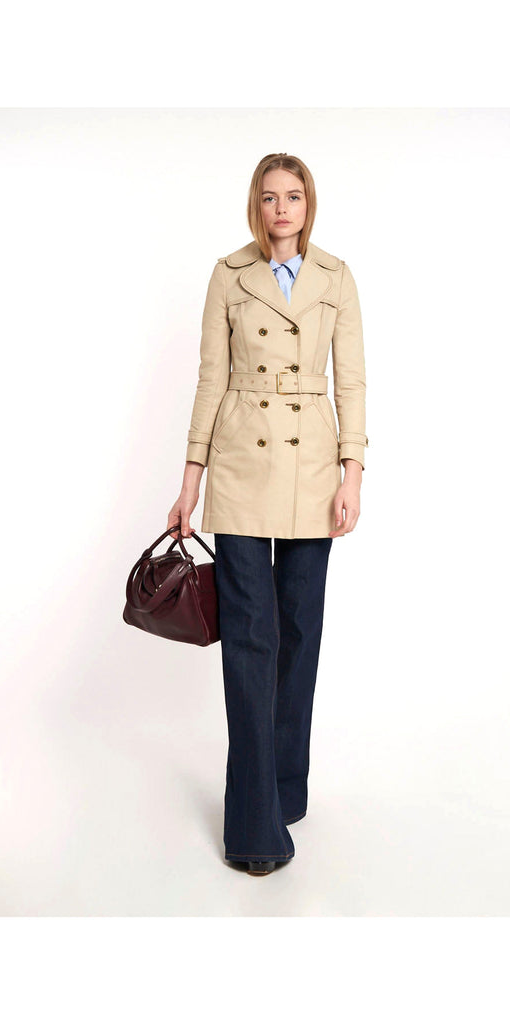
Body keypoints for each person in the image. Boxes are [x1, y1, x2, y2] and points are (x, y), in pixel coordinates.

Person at [168, 153, 368, 876]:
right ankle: (253, 828)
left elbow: (352, 383)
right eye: (269, 197)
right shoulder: (230, 274)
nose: (281, 208)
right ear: (255, 205)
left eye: (293, 196)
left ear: (309, 205)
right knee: (252, 640)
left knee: (298, 636)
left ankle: (285, 788)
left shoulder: (336, 278)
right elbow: (210, 378)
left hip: (313, 471)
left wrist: (352, 475)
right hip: (241, 467)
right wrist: (190, 482)